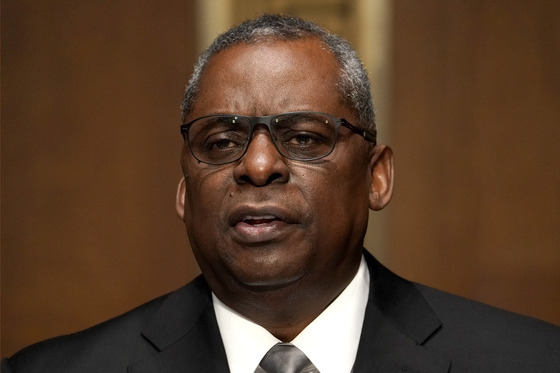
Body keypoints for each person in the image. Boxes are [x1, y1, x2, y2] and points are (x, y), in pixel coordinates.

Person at [2, 14, 559, 373]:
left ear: (376, 177)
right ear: (182, 193)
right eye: (220, 142)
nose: (259, 165)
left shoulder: (533, 361)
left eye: (304, 137)